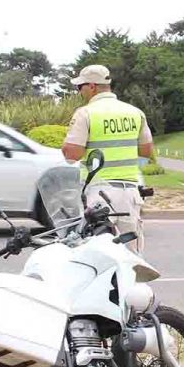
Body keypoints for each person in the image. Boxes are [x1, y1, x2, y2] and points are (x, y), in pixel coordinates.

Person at [61, 64, 154, 252]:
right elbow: (146, 150)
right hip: (130, 191)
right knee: (132, 256)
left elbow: (72, 154)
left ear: (92, 86)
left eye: (80, 87)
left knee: (97, 251)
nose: (80, 91)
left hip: (100, 192)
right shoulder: (134, 112)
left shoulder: (85, 113)